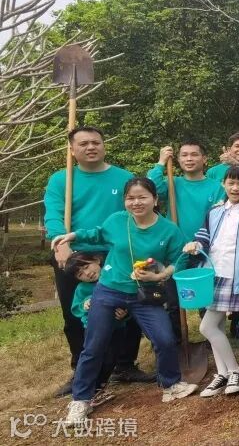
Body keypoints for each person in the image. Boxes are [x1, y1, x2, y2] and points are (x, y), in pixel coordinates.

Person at [53, 177, 198, 424]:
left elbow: (180, 259)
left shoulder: (169, 230)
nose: (136, 202)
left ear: (155, 199)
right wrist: (72, 235)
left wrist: (160, 275)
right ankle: (81, 399)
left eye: (142, 197)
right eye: (130, 198)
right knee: (94, 345)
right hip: (109, 290)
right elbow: (97, 234)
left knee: (164, 339)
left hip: (145, 294)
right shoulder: (117, 221)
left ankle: (170, 384)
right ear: (124, 201)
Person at [43, 126, 146, 396]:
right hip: (74, 255)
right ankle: (81, 369)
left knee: (127, 308)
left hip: (115, 254)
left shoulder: (124, 178)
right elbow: (53, 214)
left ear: (104, 145)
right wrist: (60, 242)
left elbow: (136, 212)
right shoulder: (61, 180)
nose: (91, 147)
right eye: (84, 143)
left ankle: (125, 364)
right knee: (75, 312)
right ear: (72, 150)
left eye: (96, 142)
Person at [184, 165, 239, 398]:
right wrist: (195, 245)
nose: (235, 187)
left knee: (207, 327)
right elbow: (204, 238)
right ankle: (222, 373)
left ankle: (236, 371)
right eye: (231, 182)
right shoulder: (214, 211)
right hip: (211, 274)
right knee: (217, 326)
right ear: (223, 183)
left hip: (235, 276)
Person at [149, 140, 226, 341]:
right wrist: (160, 163)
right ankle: (176, 340)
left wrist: (201, 242)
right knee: (172, 298)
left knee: (207, 298)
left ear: (204, 159)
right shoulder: (172, 183)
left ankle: (212, 338)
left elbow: (219, 218)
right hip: (175, 249)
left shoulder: (216, 187)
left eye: (194, 154)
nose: (189, 159)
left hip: (205, 249)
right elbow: (151, 188)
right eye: (184, 155)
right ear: (178, 159)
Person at [69, 255, 131, 408]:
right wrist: (84, 305)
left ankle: (99, 387)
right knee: (94, 355)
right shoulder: (82, 289)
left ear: (96, 260)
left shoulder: (114, 278)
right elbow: (75, 308)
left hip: (117, 328)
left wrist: (125, 313)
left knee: (111, 358)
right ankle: (86, 391)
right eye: (80, 274)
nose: (87, 273)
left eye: (86, 267)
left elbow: (128, 300)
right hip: (93, 328)